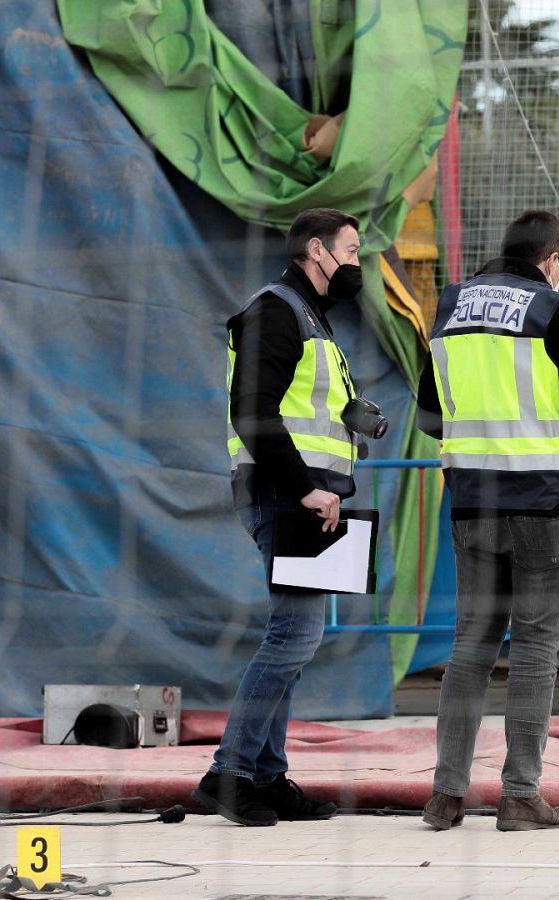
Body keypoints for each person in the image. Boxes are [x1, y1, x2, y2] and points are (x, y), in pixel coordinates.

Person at [414, 210, 559, 831]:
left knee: (470, 647)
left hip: (474, 504)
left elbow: (428, 421)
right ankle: (520, 795)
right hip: (548, 506)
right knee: (533, 653)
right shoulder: (555, 312)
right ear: (552, 260)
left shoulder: (449, 312)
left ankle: (446, 796)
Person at [196, 207, 383, 826]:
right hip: (289, 493)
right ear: (315, 250)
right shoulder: (276, 310)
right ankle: (231, 773)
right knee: (292, 637)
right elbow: (253, 411)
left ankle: (267, 775)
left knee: (299, 639)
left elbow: (300, 404)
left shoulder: (311, 319)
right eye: (351, 251)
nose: (358, 263)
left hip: (310, 492)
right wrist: (305, 488)